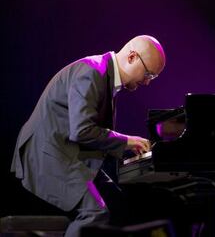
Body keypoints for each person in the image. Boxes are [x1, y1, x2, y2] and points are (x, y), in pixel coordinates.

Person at [10, 35, 166, 237]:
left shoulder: (105, 75)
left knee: (119, 204)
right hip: (47, 155)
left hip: (67, 153)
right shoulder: (92, 72)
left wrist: (130, 156)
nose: (147, 83)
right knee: (94, 213)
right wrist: (127, 141)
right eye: (148, 74)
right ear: (132, 57)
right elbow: (82, 130)